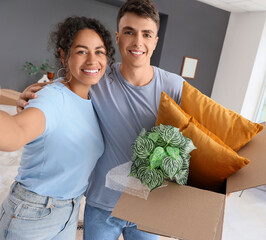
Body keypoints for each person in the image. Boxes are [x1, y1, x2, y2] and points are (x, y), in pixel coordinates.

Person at [17, 0, 185, 239]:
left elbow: (208, 133)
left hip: (148, 206)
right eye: (129, 32)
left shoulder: (175, 86)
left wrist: (220, 178)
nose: (138, 42)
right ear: (117, 37)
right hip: (101, 205)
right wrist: (32, 95)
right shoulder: (97, 76)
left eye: (147, 34)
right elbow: (62, 91)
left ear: (155, 41)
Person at [0, 16, 115, 240]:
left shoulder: (97, 99)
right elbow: (16, 132)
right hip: (32, 212)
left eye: (99, 52)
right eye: (82, 51)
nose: (93, 60)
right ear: (64, 55)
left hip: (68, 210)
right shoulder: (52, 97)